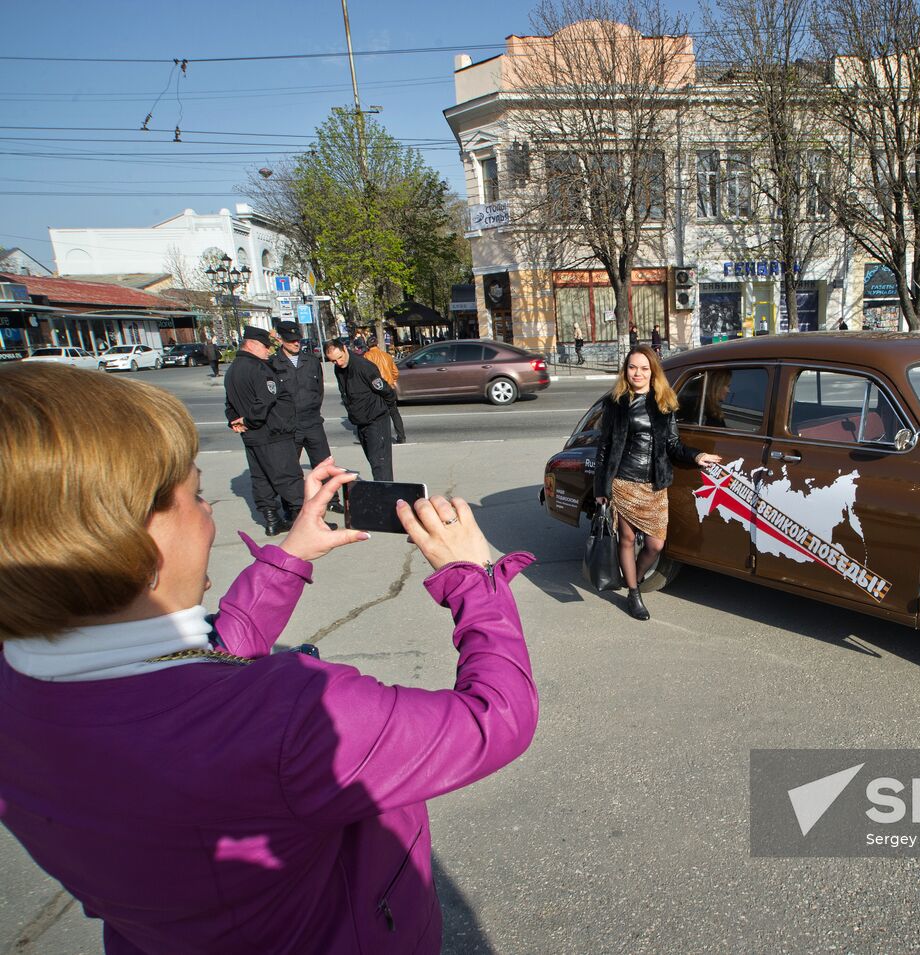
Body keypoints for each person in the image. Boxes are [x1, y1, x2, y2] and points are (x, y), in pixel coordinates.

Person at [0, 361, 538, 955]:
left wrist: (292, 553)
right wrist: (473, 579)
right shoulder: (288, 717)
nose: (209, 512)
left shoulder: (22, 690)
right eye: (195, 495)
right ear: (132, 537)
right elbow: (496, 720)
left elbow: (199, 663)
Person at [593, 346, 722, 621]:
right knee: (627, 540)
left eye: (644, 368)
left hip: (655, 485)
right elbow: (604, 448)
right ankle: (633, 593)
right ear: (625, 370)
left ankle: (634, 578)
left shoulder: (664, 402)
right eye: (632, 367)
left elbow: (673, 444)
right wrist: (600, 489)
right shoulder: (615, 403)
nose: (637, 373)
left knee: (656, 545)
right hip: (624, 482)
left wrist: (696, 455)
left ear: (653, 372)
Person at [225, 326, 303, 536]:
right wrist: (249, 420)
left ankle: (272, 521)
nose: (268, 350)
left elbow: (230, 404)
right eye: (265, 346)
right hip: (273, 433)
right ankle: (303, 522)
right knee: (289, 477)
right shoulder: (258, 368)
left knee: (261, 479)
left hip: (252, 436)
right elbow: (266, 400)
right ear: (251, 344)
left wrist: (235, 422)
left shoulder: (232, 370)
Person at [269, 322, 342, 514]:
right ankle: (291, 506)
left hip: (312, 421)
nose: (296, 343)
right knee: (289, 468)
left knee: (324, 463)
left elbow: (319, 390)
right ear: (281, 340)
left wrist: (313, 409)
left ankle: (332, 500)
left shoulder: (310, 361)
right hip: (289, 425)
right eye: (291, 340)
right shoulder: (273, 363)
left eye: (298, 340)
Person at [325, 338, 394, 481]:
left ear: (345, 349)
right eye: (333, 361)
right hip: (360, 422)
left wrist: (383, 409)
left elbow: (385, 390)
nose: (338, 363)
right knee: (373, 461)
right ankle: (383, 488)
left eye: (340, 357)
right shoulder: (339, 368)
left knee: (380, 465)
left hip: (376, 420)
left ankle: (386, 492)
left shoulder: (363, 366)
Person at [364, 335, 408, 444]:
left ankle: (381, 437)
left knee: (377, 415)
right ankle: (401, 436)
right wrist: (391, 381)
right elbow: (395, 372)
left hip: (376, 389)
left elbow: (366, 374)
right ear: (377, 344)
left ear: (368, 346)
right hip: (389, 387)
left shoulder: (367, 356)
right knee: (394, 413)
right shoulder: (387, 355)